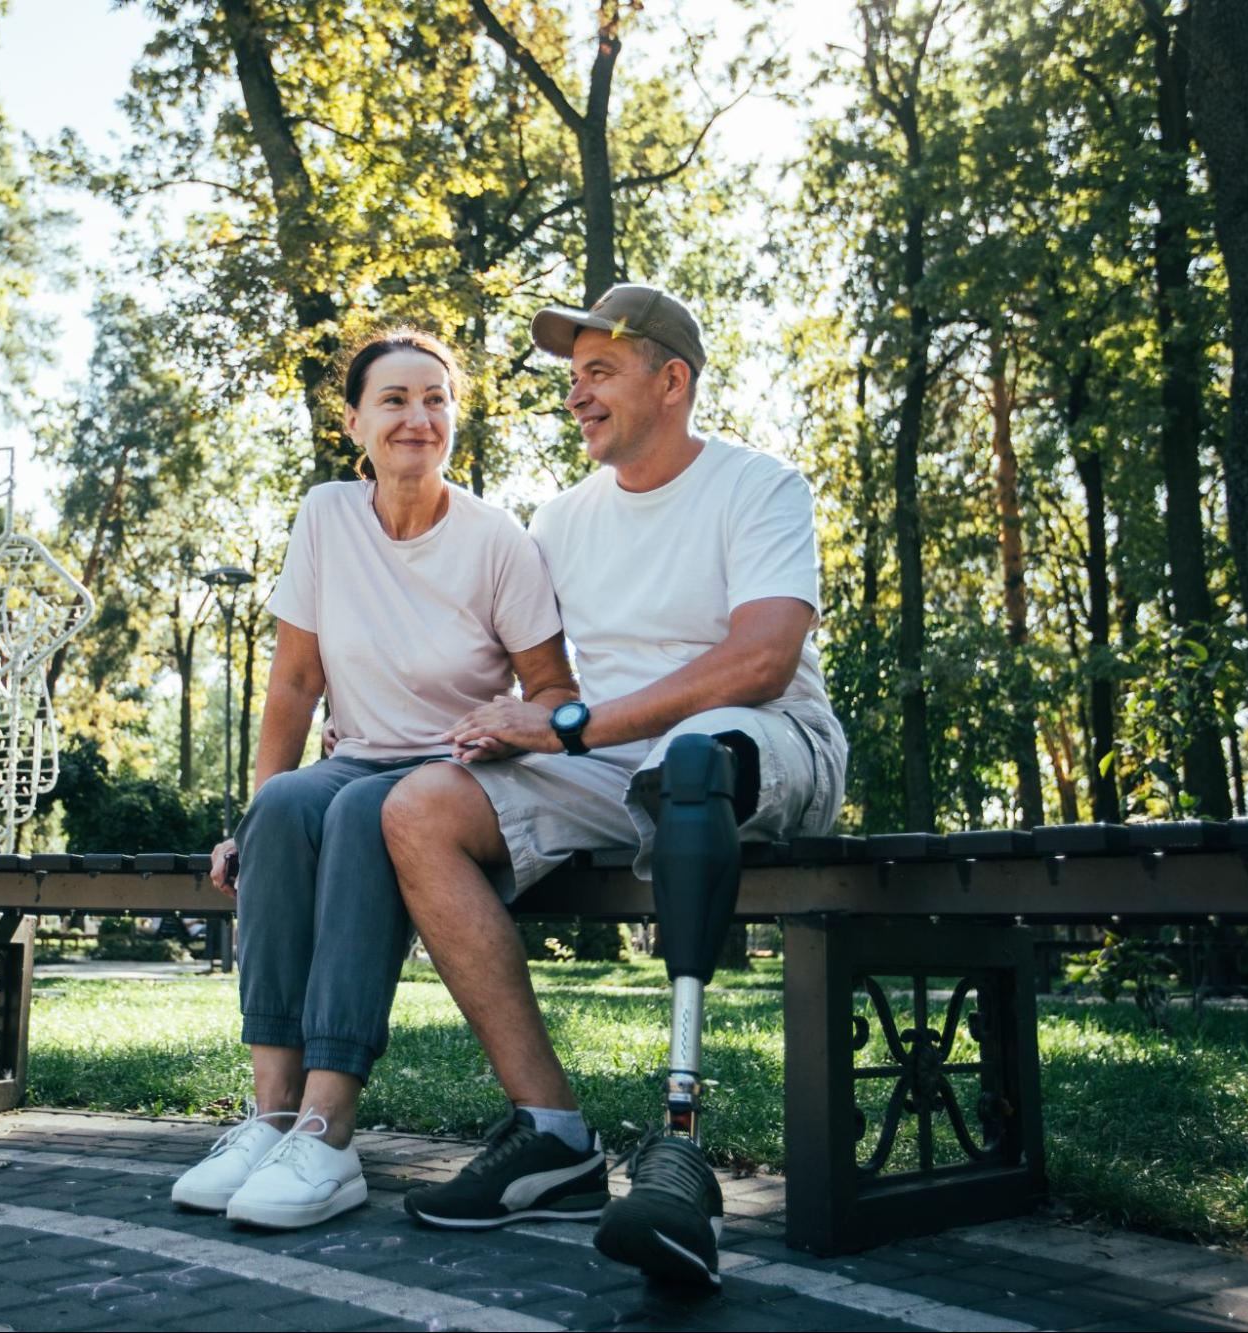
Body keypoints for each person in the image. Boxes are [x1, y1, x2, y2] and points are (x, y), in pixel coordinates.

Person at [379, 284, 847, 1285]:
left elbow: (760, 659)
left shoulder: (759, 485)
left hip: (764, 743)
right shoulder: (559, 519)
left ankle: (680, 1136)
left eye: (600, 372)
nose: (576, 396)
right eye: (572, 376)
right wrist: (427, 720)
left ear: (671, 381)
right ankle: (551, 1136)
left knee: (689, 755)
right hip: (612, 757)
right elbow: (508, 671)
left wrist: (574, 723)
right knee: (418, 807)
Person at [171, 327, 578, 1230]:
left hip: (445, 771)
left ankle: (327, 1126)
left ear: (454, 419)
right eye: (394, 399)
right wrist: (243, 819)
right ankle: (271, 1112)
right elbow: (295, 682)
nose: (416, 416)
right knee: (282, 803)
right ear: (353, 420)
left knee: (366, 810)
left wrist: (505, 732)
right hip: (350, 754)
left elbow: (552, 693)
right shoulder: (325, 515)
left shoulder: (497, 542)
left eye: (435, 398)